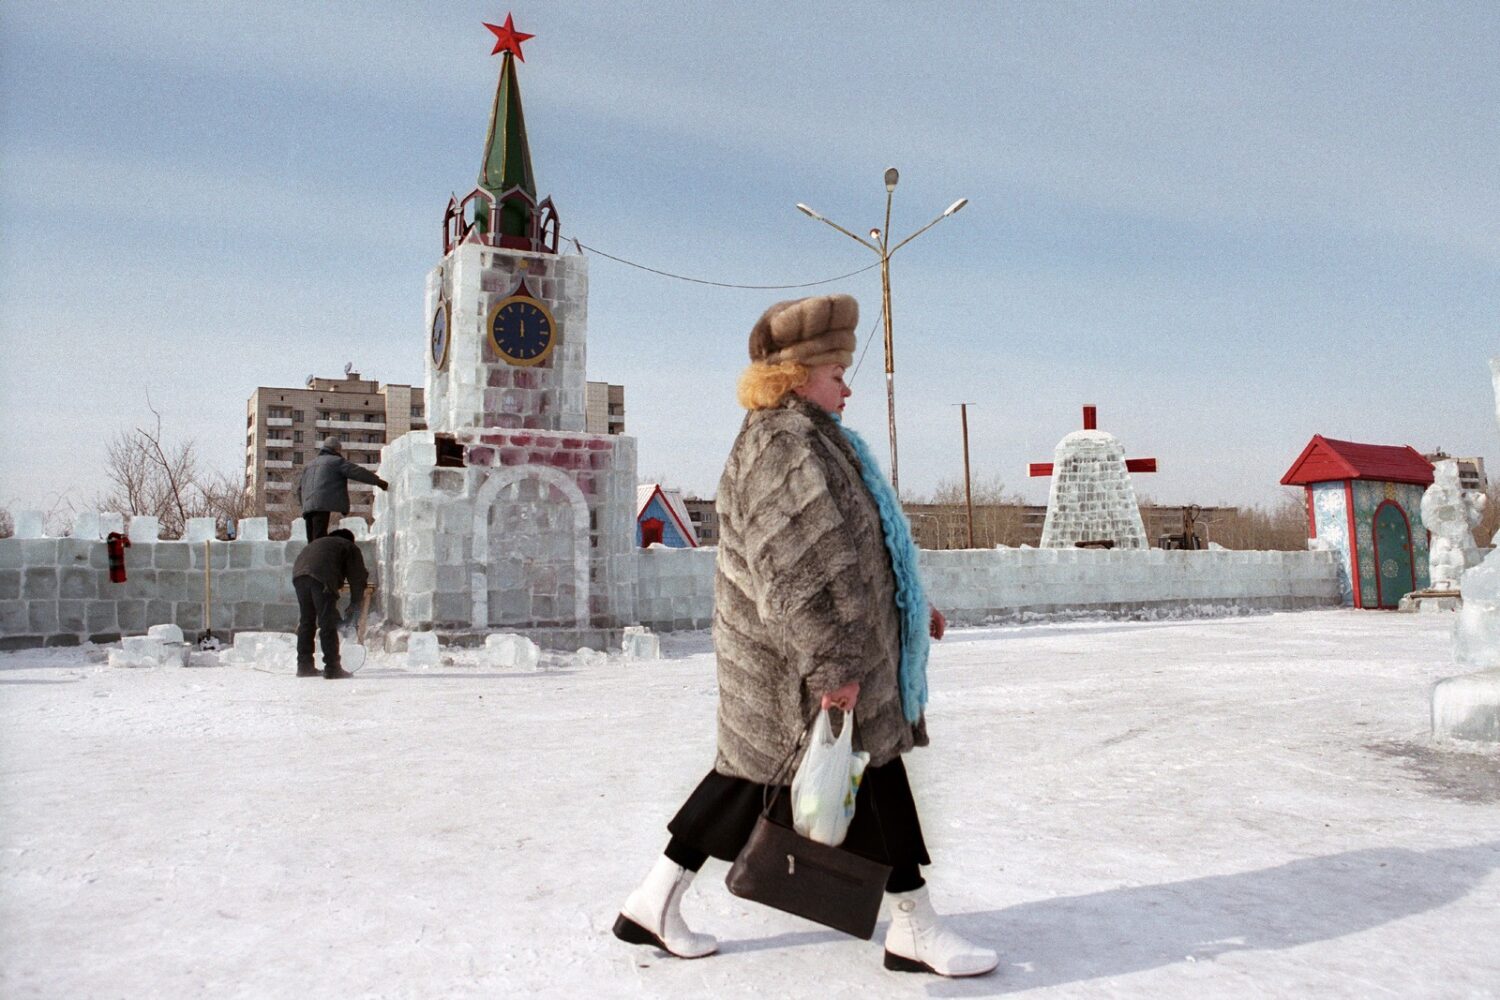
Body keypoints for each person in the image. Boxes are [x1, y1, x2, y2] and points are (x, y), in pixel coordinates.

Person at [614, 294, 997, 978]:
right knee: (869, 770)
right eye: (836, 372)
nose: (846, 384)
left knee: (747, 780)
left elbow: (862, 547)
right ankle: (915, 924)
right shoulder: (783, 445)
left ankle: (653, 900)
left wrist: (913, 608)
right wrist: (833, 664)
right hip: (798, 658)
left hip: (816, 653)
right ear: (795, 376)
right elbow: (803, 568)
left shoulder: (817, 437)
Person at [291, 527, 368, 679]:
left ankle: (304, 665)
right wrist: (355, 603)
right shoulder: (348, 546)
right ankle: (333, 667)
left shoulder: (320, 543)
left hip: (299, 576)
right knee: (327, 622)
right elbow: (357, 577)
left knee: (307, 621)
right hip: (321, 578)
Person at [295, 437, 389, 541]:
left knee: (311, 539)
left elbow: (299, 489)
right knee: (319, 537)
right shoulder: (336, 462)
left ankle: (312, 556)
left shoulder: (309, 465)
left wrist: (304, 505)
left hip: (308, 506)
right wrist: (379, 482)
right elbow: (358, 472)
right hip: (321, 504)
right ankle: (323, 556)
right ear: (336, 449)